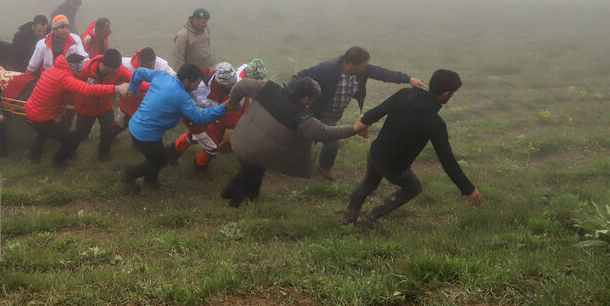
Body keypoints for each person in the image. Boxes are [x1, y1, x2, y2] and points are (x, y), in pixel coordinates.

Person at [343, 69, 483, 230]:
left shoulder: (404, 94)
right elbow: (447, 161)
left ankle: (349, 217)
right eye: (452, 93)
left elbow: (376, 112)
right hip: (395, 167)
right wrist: (469, 189)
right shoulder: (435, 123)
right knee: (413, 187)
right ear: (445, 94)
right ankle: (371, 217)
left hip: (376, 152)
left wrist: (363, 123)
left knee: (369, 182)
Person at [221, 77, 367, 208]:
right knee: (253, 176)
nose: (311, 103)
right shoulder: (301, 116)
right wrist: (354, 129)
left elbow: (243, 84)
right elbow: (324, 132)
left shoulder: (268, 87)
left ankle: (228, 192)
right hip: (260, 154)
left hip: (241, 140)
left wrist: (232, 101)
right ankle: (236, 203)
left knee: (249, 169)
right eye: (312, 100)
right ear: (305, 99)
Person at [287, 46, 426, 180]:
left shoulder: (362, 69)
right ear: (348, 63)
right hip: (322, 110)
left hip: (336, 111)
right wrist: (287, 92)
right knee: (331, 141)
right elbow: (302, 75)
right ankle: (324, 167)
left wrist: (408, 79)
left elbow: (382, 73)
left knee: (313, 137)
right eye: (362, 65)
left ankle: (296, 157)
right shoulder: (327, 69)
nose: (364, 69)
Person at [119, 63, 228, 191]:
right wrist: (224, 107)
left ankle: (151, 182)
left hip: (139, 125)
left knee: (155, 157)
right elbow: (199, 118)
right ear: (186, 81)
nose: (197, 87)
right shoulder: (181, 97)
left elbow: (140, 72)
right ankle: (128, 174)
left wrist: (133, 88)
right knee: (161, 161)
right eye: (196, 83)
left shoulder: (163, 76)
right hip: (146, 134)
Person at [25, 53, 127, 166]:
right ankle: (58, 162)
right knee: (70, 139)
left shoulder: (52, 70)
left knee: (45, 131)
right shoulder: (65, 78)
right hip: (40, 117)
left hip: (31, 112)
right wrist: (116, 88)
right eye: (79, 67)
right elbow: (88, 89)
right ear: (73, 66)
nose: (81, 71)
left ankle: (33, 153)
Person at [171, 62, 243, 179]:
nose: (232, 87)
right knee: (212, 145)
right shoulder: (199, 86)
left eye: (233, 84)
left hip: (213, 114)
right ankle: (199, 167)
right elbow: (184, 100)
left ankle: (172, 152)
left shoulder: (233, 82)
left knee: (207, 137)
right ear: (219, 82)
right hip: (194, 114)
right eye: (229, 85)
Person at [73, 49, 132, 161]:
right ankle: (70, 150)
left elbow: (132, 77)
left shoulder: (117, 69)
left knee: (108, 132)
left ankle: (103, 155)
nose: (117, 70)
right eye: (114, 68)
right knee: (81, 133)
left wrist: (139, 86)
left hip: (105, 106)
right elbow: (75, 84)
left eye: (118, 68)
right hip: (86, 107)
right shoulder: (86, 69)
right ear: (105, 65)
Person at [116, 47, 175, 135]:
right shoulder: (126, 64)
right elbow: (113, 73)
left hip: (148, 102)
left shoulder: (162, 65)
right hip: (129, 102)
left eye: (152, 65)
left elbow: (174, 78)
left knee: (144, 126)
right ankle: (109, 138)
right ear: (141, 61)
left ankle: (137, 142)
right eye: (148, 65)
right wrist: (118, 88)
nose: (150, 68)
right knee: (121, 123)